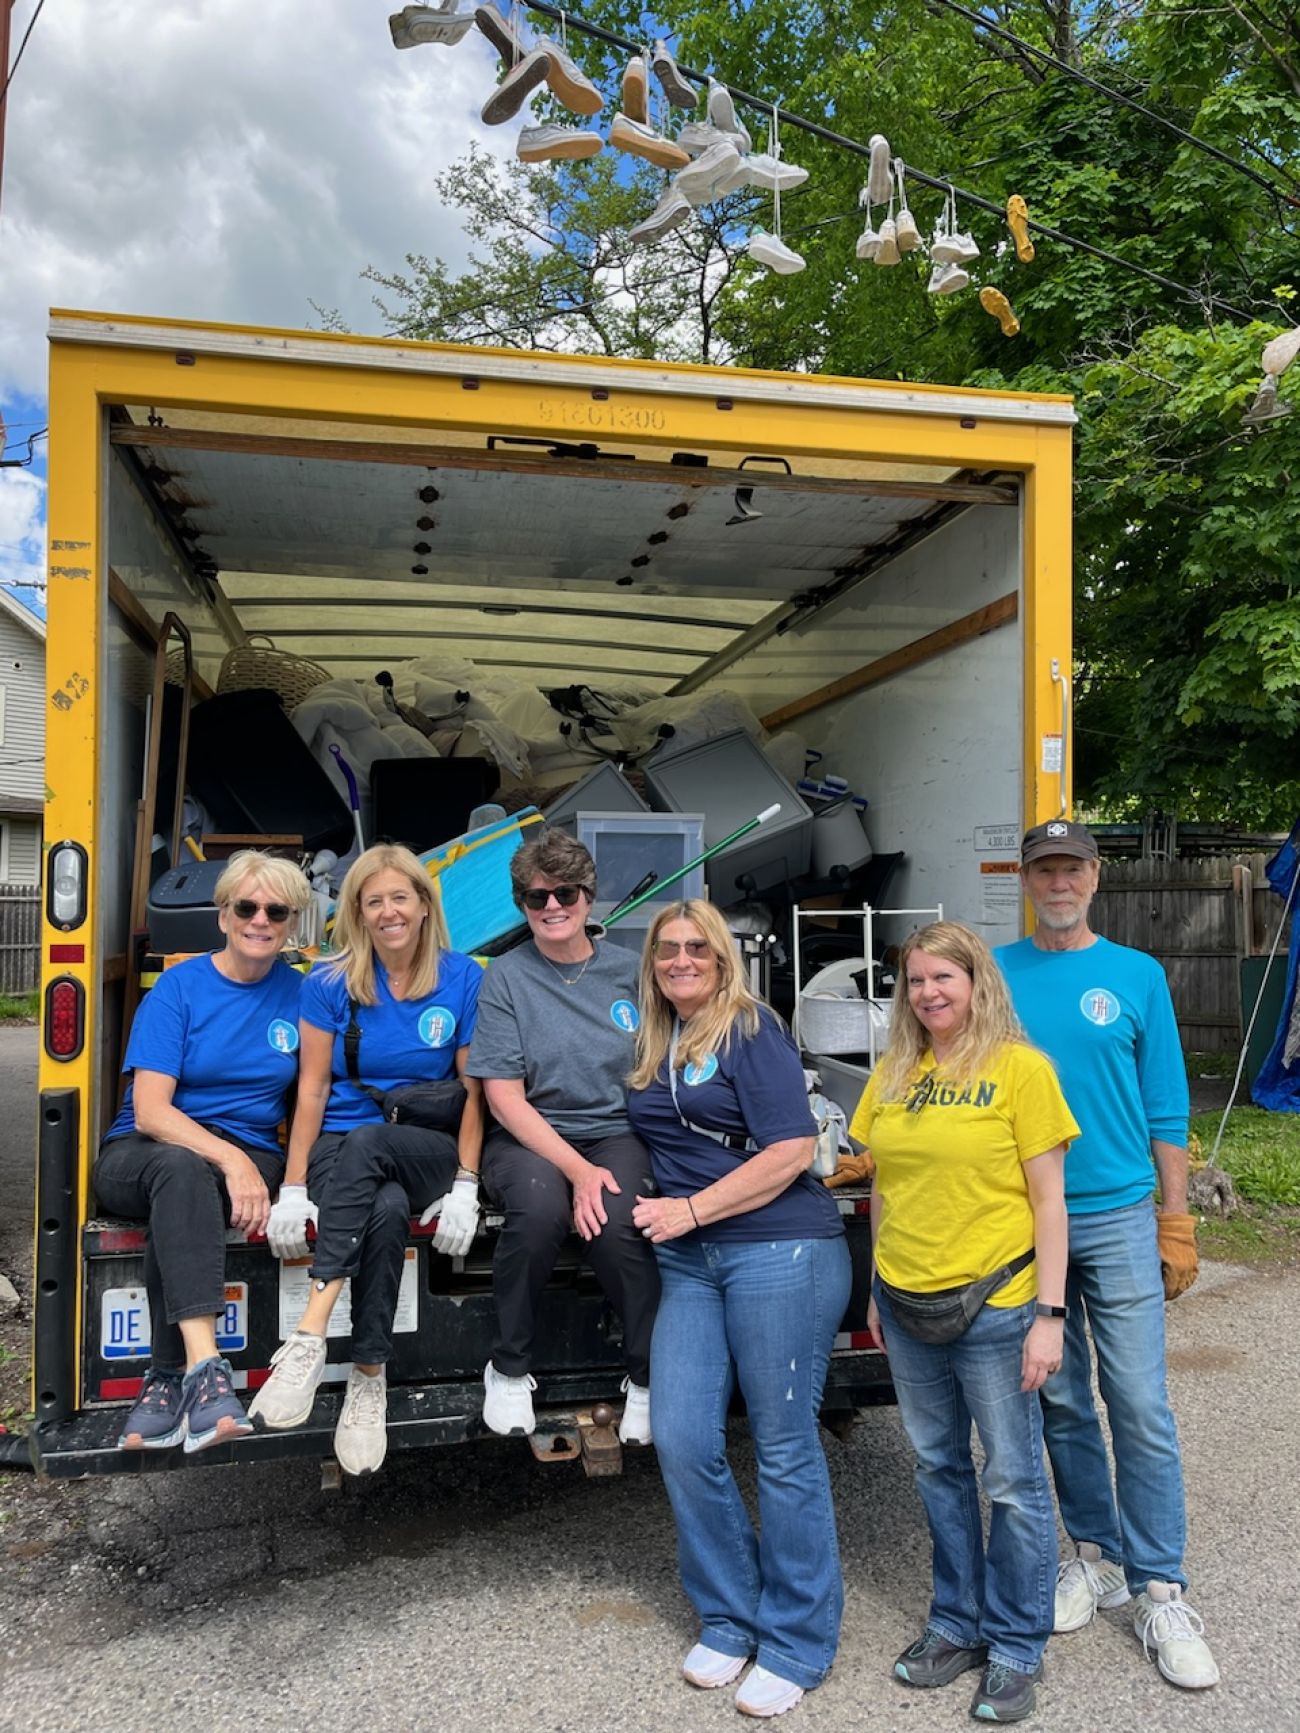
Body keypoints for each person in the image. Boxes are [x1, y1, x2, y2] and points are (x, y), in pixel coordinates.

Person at [996, 820, 1219, 1691]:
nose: (1059, 882)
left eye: (1072, 868)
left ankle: (1161, 1583)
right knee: (1059, 1398)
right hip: (1026, 1220)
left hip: (1123, 1213)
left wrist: (1176, 1215)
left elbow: (1165, 1100)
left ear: (1094, 877)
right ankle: (1097, 1555)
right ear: (1027, 879)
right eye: (1044, 869)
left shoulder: (1138, 975)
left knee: (1138, 1401)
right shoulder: (997, 974)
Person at [849, 920, 1076, 1726]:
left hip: (997, 1302)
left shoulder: (1021, 1070)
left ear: (978, 982)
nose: (929, 993)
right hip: (907, 1303)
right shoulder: (897, 1071)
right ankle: (957, 1622)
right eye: (915, 981)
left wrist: (1049, 1315)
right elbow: (883, 1186)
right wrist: (876, 1285)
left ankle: (1016, 1644)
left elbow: (1050, 1201)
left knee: (1012, 1478)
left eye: (943, 977)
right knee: (938, 1465)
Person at [629, 899, 850, 1721]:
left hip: (778, 1252)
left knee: (785, 1446)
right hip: (691, 1262)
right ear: (651, 961)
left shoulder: (751, 1027)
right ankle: (729, 1612)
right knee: (684, 1435)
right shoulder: (658, 1038)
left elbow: (792, 1146)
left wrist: (687, 1210)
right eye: (667, 949)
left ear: (723, 959)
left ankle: (796, 1638)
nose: (682, 960)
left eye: (698, 948)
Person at [250, 843, 484, 1476]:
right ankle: (368, 1377)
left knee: (371, 1145)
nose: (388, 912)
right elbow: (313, 1089)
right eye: (373, 901)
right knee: (380, 1206)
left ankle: (311, 1328)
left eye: (399, 898)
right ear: (357, 911)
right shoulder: (329, 982)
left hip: (425, 1147)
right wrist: (293, 1184)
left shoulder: (463, 978)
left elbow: (474, 1093)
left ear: (423, 904)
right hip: (342, 1148)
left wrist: (467, 1181)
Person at [95, 850, 312, 1453]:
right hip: (145, 1148)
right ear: (223, 916)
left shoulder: (301, 995)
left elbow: (313, 1098)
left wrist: (287, 1179)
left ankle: (168, 1382)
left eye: (277, 909)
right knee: (179, 1167)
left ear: (292, 921)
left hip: (243, 1152)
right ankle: (205, 1367)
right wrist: (233, 1161)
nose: (260, 919)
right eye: (247, 906)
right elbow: (152, 1110)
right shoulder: (178, 987)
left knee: (187, 1185)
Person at [466, 829, 659, 1444]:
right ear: (521, 905)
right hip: (529, 1134)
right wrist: (575, 1170)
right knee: (538, 1213)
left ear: (589, 896)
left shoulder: (633, 971)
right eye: (534, 896)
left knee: (620, 1222)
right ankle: (510, 1368)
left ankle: (647, 1379)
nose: (551, 907)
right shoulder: (505, 977)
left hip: (614, 1131)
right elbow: (502, 1094)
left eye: (564, 892)